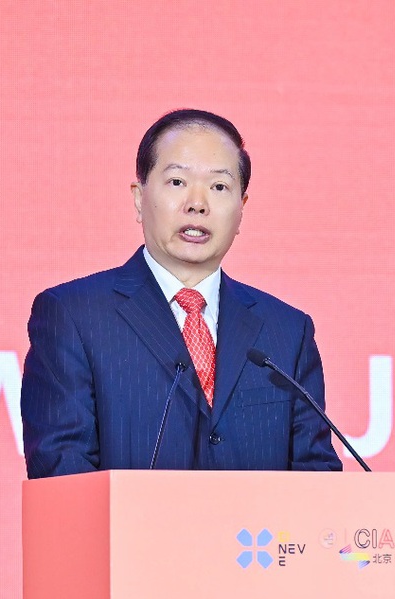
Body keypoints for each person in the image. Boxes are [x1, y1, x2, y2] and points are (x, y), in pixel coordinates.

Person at [20, 109, 342, 478]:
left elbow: (317, 480)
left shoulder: (287, 332)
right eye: (177, 182)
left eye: (218, 187)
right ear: (139, 198)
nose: (197, 203)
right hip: (129, 520)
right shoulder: (74, 316)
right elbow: (61, 472)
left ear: (242, 209)